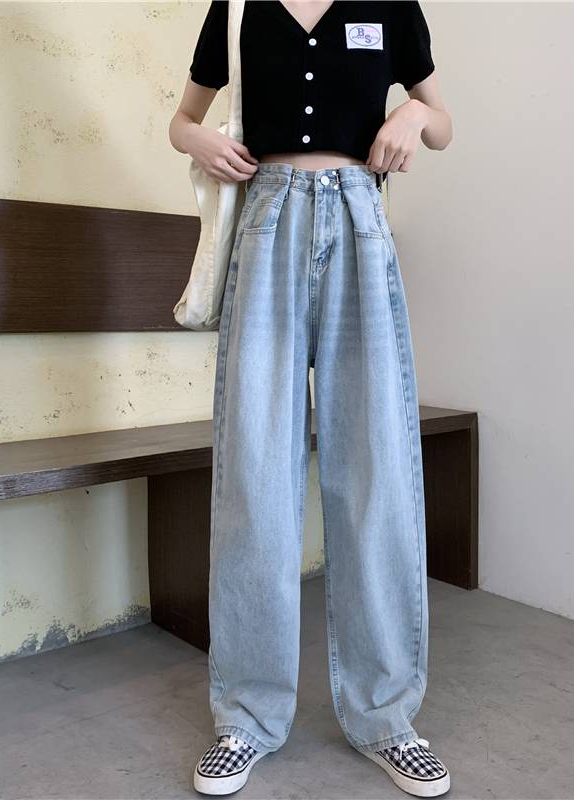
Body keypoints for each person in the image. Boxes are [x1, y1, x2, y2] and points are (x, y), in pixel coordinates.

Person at [169, 1, 453, 795]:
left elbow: (442, 122)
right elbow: (182, 119)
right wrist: (199, 140)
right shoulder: (238, 6)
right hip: (267, 220)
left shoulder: (390, 5)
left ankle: (387, 716)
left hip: (361, 218)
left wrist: (414, 113)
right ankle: (246, 717)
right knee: (254, 472)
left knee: (376, 470)